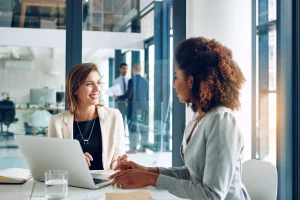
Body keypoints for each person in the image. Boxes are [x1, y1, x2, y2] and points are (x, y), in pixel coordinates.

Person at [109, 37, 251, 200]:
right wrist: (146, 171)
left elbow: (212, 195)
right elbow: (192, 174)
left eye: (176, 77)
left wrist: (151, 179)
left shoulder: (222, 121)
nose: (174, 84)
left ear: (190, 80)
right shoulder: (199, 117)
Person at [48, 63, 127, 170]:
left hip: (105, 183)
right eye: (89, 84)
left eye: (98, 83)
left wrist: (121, 163)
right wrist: (74, 161)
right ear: (74, 89)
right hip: (73, 183)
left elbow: (116, 158)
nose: (97, 89)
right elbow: (53, 162)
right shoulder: (56, 122)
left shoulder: (114, 116)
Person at [113, 64, 149, 154]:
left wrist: (117, 98)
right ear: (140, 70)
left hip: (133, 108)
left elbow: (128, 95)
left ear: (133, 70)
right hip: (144, 107)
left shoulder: (131, 80)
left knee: (132, 127)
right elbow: (146, 96)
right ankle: (143, 147)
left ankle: (133, 148)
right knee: (143, 127)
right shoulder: (145, 81)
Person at [113, 63, 130, 128]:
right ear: (120, 69)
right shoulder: (116, 81)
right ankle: (121, 133)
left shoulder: (130, 80)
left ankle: (129, 133)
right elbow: (114, 92)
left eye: (126, 68)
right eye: (123, 68)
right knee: (121, 119)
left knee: (129, 119)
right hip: (120, 102)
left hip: (129, 102)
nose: (125, 70)